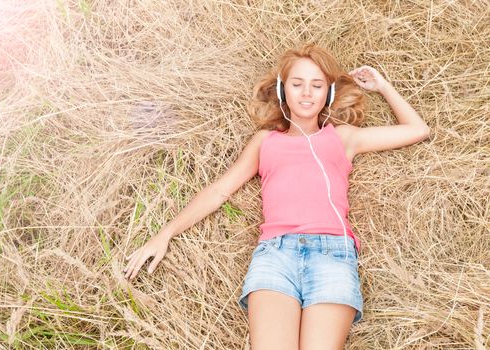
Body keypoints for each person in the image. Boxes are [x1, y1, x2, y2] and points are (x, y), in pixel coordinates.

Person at [123, 43, 430, 349]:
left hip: (333, 255)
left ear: (329, 94)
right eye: (297, 84)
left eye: (317, 85)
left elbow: (418, 129)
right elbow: (219, 191)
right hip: (275, 256)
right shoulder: (264, 142)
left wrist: (383, 86)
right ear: (284, 91)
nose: (307, 93)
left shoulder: (343, 137)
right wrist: (165, 233)